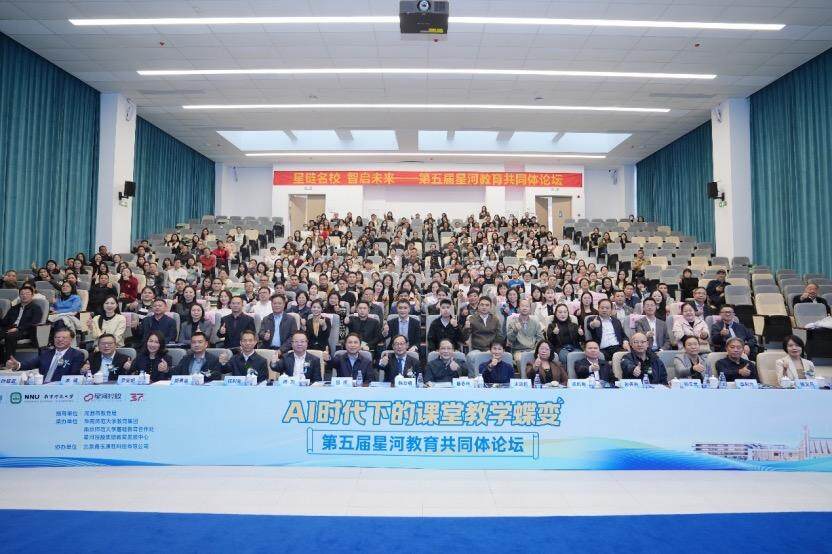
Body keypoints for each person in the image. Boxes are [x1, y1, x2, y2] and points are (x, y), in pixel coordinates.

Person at [5, 327, 84, 383]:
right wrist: (17, 365)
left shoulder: (77, 355)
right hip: (42, 388)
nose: (60, 340)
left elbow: (74, 375)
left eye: (64, 338)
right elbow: (30, 364)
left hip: (62, 389)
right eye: (57, 337)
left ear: (71, 340)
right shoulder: (46, 353)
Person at [0, 285, 43, 362]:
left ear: (32, 295)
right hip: (10, 328)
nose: (24, 296)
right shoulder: (14, 307)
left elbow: (34, 323)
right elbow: (5, 321)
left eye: (27, 293)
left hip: (26, 331)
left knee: (10, 336)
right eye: (22, 294)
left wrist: (17, 328)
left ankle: (9, 362)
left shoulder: (36, 308)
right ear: (19, 296)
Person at [506, 298, 544, 365]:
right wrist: (515, 331)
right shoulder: (513, 322)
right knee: (520, 360)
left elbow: (540, 338)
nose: (524, 308)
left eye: (527, 306)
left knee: (542, 359)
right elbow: (510, 340)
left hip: (533, 349)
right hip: (518, 350)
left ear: (530, 309)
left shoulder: (535, 322)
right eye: (522, 306)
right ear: (518, 308)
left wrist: (537, 349)